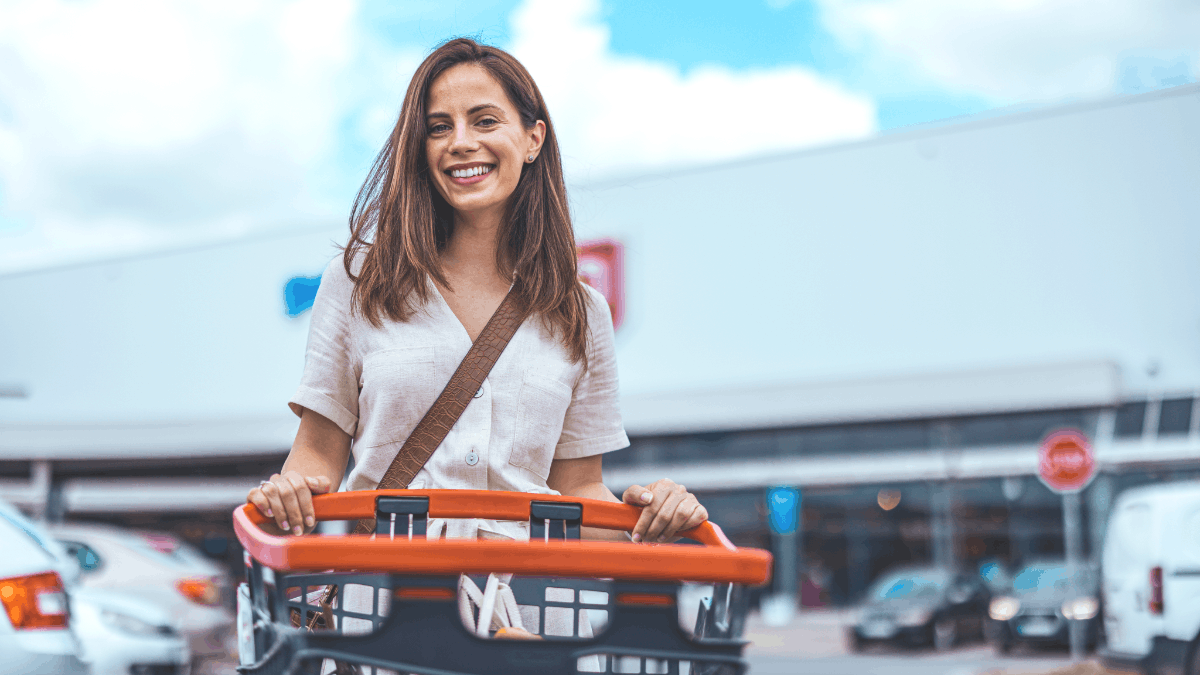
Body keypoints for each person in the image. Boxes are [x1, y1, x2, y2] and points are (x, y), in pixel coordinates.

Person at [244, 38, 707, 548]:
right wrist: (292, 487)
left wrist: (653, 513)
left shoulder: (581, 311)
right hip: (389, 599)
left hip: (530, 607)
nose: (460, 142)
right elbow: (317, 451)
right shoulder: (359, 282)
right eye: (439, 127)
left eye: (485, 121)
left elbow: (579, 487)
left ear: (533, 140)